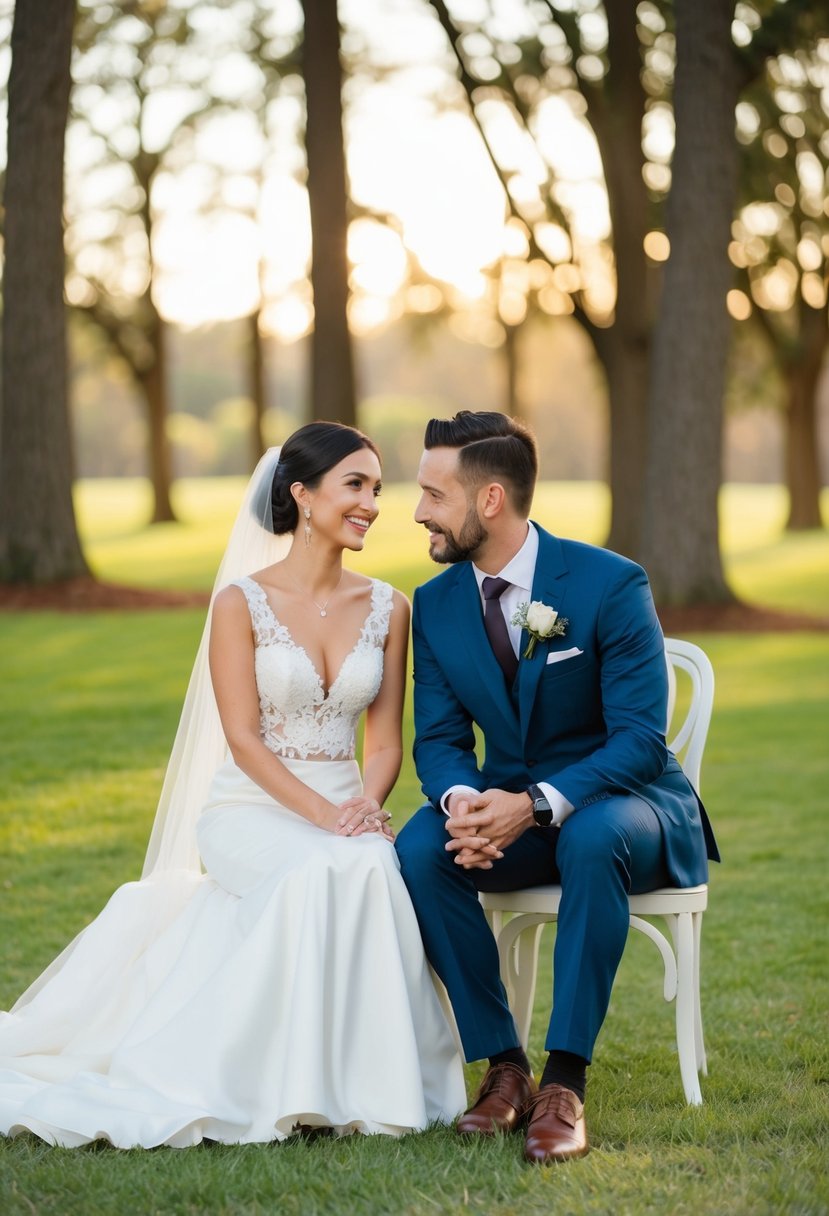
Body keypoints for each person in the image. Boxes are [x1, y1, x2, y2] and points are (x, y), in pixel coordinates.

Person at [0, 422, 465, 1148]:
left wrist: (362, 808)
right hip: (252, 807)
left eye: (376, 488)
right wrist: (321, 815)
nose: (372, 503)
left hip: (350, 800)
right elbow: (243, 741)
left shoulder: (388, 606)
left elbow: (382, 741)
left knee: (373, 865)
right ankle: (279, 1086)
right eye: (355, 485)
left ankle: (371, 1090)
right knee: (316, 870)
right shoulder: (239, 604)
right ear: (301, 495)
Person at [396, 410, 719, 1164]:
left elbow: (640, 740)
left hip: (630, 812)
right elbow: (440, 739)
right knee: (419, 847)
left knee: (592, 832)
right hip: (513, 820)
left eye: (432, 495)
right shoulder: (437, 604)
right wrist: (460, 804)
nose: (416, 512)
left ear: (489, 500)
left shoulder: (608, 582)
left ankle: (564, 1082)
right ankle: (503, 1067)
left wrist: (534, 803)